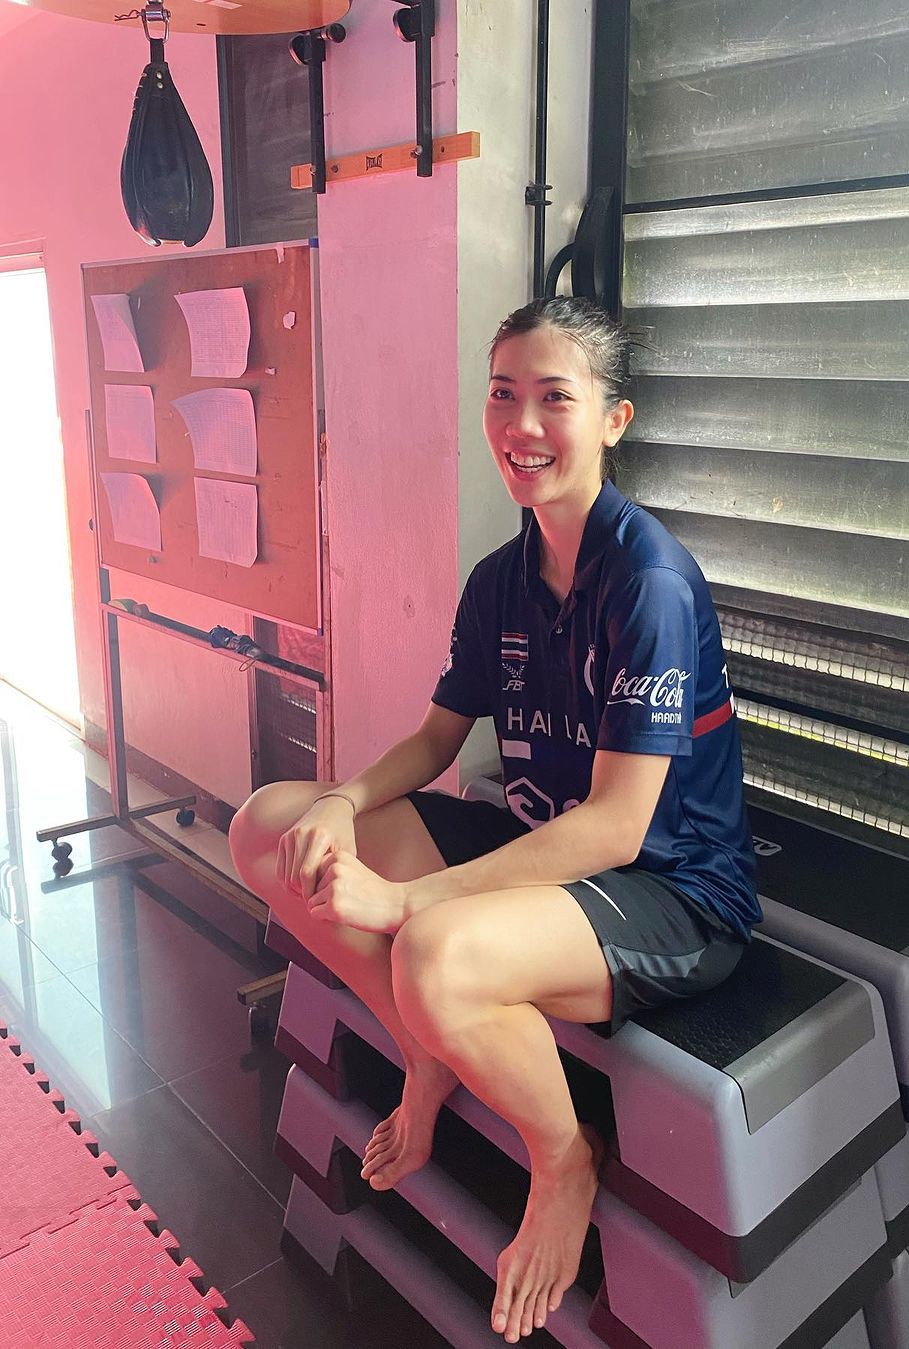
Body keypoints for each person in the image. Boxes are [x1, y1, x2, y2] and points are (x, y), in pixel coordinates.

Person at [229, 296, 759, 1343]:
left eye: (555, 398)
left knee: (429, 948)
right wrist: (337, 798)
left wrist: (407, 899)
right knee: (268, 825)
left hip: (670, 890)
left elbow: (614, 829)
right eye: (503, 394)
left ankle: (563, 1158)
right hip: (538, 854)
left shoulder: (648, 581)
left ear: (614, 419)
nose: (522, 425)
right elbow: (438, 741)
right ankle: (424, 1048)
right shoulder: (500, 581)